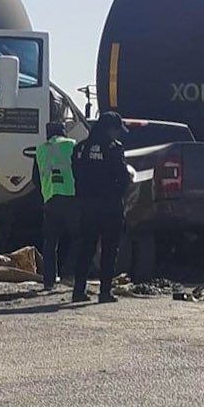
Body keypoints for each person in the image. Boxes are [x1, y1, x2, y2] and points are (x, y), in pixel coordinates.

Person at [72, 111, 132, 304]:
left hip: (87, 205)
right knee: (109, 249)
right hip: (110, 206)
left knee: (85, 248)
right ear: (110, 129)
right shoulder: (113, 148)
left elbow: (76, 173)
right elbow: (123, 177)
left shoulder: (81, 147)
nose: (118, 135)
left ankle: (78, 290)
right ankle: (104, 292)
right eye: (117, 130)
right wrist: (119, 192)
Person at [33, 120, 77, 291]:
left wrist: (46, 191)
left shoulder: (41, 149)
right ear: (63, 131)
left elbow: (35, 178)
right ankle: (68, 273)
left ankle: (49, 281)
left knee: (50, 242)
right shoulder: (71, 144)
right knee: (80, 237)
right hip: (71, 196)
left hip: (50, 198)